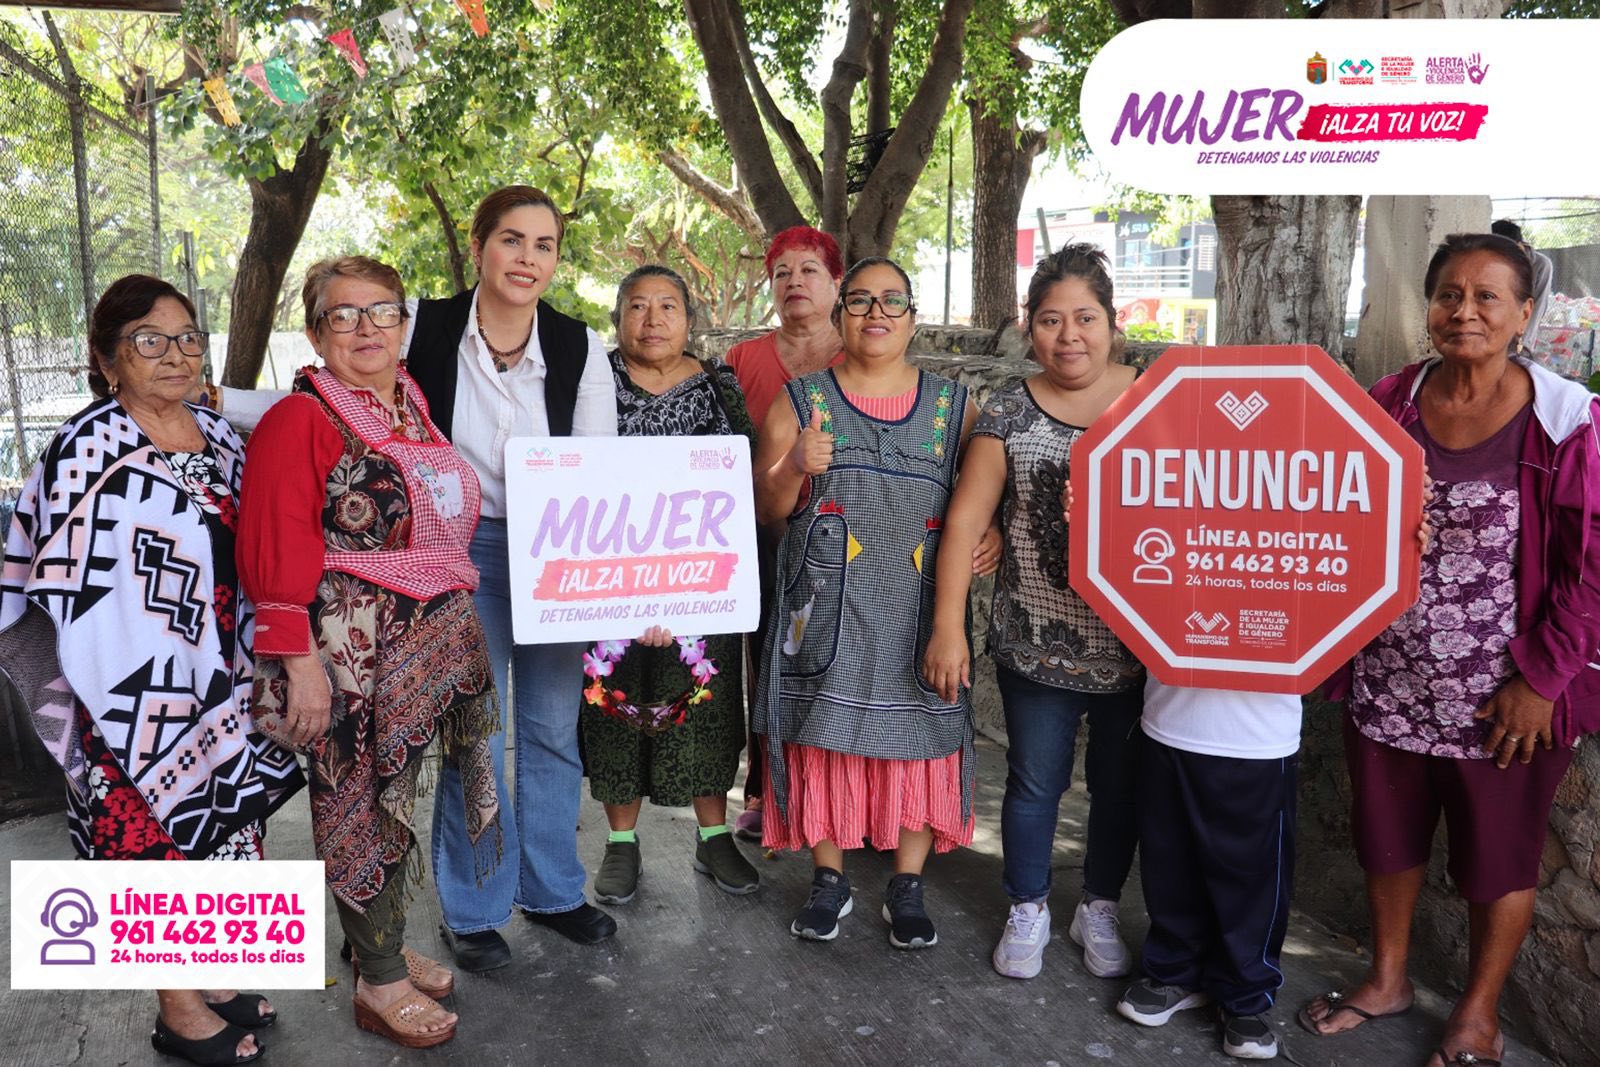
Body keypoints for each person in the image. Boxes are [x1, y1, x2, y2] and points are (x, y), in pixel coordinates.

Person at [213, 185, 619, 969]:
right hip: (459, 558)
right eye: (511, 239)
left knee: (549, 726)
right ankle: (472, 910)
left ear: (557, 258)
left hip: (557, 551)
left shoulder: (578, 346)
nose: (527, 258)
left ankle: (556, 887)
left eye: (544, 244)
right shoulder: (423, 323)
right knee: (476, 734)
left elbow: (595, 471)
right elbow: (328, 397)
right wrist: (216, 397)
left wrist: (619, 584)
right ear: (478, 247)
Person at [1299, 232, 1600, 1067]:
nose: (1463, 310)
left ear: (1524, 315)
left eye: (1487, 297)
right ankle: (1388, 977)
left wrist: (1542, 676)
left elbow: (1593, 563)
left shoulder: (1565, 419)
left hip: (1505, 697)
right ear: (1428, 308)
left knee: (1498, 856)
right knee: (1387, 838)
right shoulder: (1386, 401)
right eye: (1448, 295)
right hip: (1388, 679)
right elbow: (1323, 504)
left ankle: (1478, 1015)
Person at [0, 275, 303, 1066]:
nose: (175, 354)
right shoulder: (85, 448)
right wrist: (148, 674)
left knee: (229, 829)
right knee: (150, 845)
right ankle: (177, 1008)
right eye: (149, 340)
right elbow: (62, 582)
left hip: (228, 681)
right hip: (131, 697)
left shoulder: (220, 434)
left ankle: (215, 974)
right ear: (106, 360)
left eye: (188, 337)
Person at [237, 256, 503, 1049]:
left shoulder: (410, 407)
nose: (365, 329)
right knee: (355, 807)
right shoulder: (303, 417)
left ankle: (371, 942)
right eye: (343, 315)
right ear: (316, 331)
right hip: (345, 651)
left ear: (404, 324)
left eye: (381, 312)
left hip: (421, 642)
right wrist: (298, 661)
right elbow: (272, 544)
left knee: (399, 799)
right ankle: (379, 981)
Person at [923, 244, 1144, 983]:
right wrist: (949, 625)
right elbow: (964, 522)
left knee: (1120, 786)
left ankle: (1100, 904)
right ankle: (1028, 905)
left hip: (1138, 649)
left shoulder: (1156, 400)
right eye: (1051, 319)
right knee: (1035, 782)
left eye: (1086, 317)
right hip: (1035, 641)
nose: (1069, 335)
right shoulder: (1010, 411)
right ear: (1028, 326)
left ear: (1113, 323)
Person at [752, 256, 983, 949]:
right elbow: (768, 511)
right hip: (828, 606)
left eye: (892, 301)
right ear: (840, 314)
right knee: (823, 734)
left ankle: (906, 884)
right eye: (860, 301)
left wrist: (991, 530)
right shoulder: (800, 401)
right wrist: (792, 466)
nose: (876, 313)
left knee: (919, 737)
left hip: (918, 609)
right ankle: (829, 877)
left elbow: (983, 492)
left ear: (912, 318)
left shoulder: (955, 406)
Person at [583, 265, 762, 905]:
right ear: (618, 318)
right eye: (637, 306)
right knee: (615, 709)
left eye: (667, 307)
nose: (652, 320)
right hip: (610, 586)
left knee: (704, 712)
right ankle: (622, 845)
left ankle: (714, 835)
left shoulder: (720, 386)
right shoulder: (592, 381)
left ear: (690, 320)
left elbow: (745, 471)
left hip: (701, 587)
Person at [721, 226, 846, 841]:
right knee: (768, 660)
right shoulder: (742, 361)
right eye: (781, 274)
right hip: (763, 536)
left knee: (843, 664)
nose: (794, 282)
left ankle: (842, 797)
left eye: (809, 271)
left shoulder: (867, 354)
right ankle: (765, 791)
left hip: (850, 541)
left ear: (836, 284)